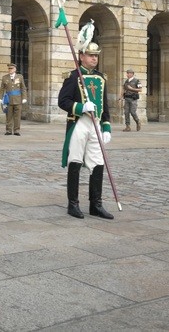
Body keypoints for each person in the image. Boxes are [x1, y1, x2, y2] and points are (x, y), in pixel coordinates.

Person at [58, 42, 114, 220]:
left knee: (98, 162)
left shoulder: (101, 77)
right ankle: (73, 204)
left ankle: (95, 204)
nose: (94, 58)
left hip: (95, 124)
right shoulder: (73, 77)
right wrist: (81, 107)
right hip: (79, 123)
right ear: (81, 56)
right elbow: (63, 101)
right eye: (90, 55)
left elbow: (105, 104)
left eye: (96, 55)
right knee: (75, 160)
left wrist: (106, 126)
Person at [0, 63, 27, 136]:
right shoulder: (5, 77)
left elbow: (23, 88)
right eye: (9, 68)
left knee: (17, 116)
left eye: (11, 68)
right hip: (8, 99)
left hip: (18, 99)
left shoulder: (20, 77)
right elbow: (2, 89)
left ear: (15, 69)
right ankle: (8, 130)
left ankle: (16, 130)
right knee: (9, 116)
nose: (10, 70)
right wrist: (0, 98)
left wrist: (24, 98)